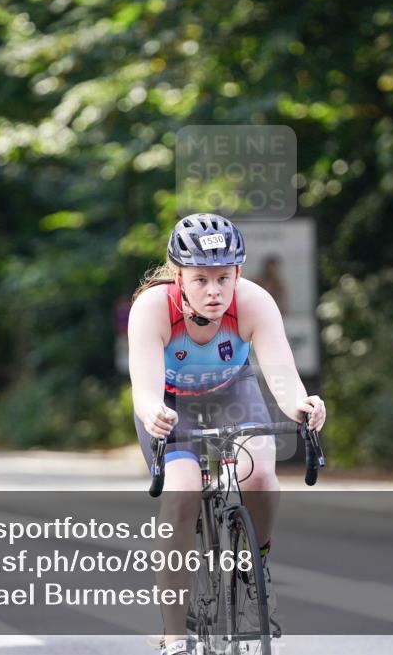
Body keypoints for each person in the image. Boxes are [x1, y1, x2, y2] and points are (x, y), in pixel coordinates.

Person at [127, 213, 327, 655]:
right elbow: (144, 389)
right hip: (171, 404)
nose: (214, 291)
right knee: (181, 495)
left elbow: (282, 376)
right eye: (200, 279)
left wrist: (302, 404)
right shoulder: (153, 307)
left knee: (259, 474)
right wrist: (152, 413)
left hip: (231, 392)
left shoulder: (254, 302)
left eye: (224, 277)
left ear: (238, 272)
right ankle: (175, 634)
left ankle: (255, 562)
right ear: (179, 276)